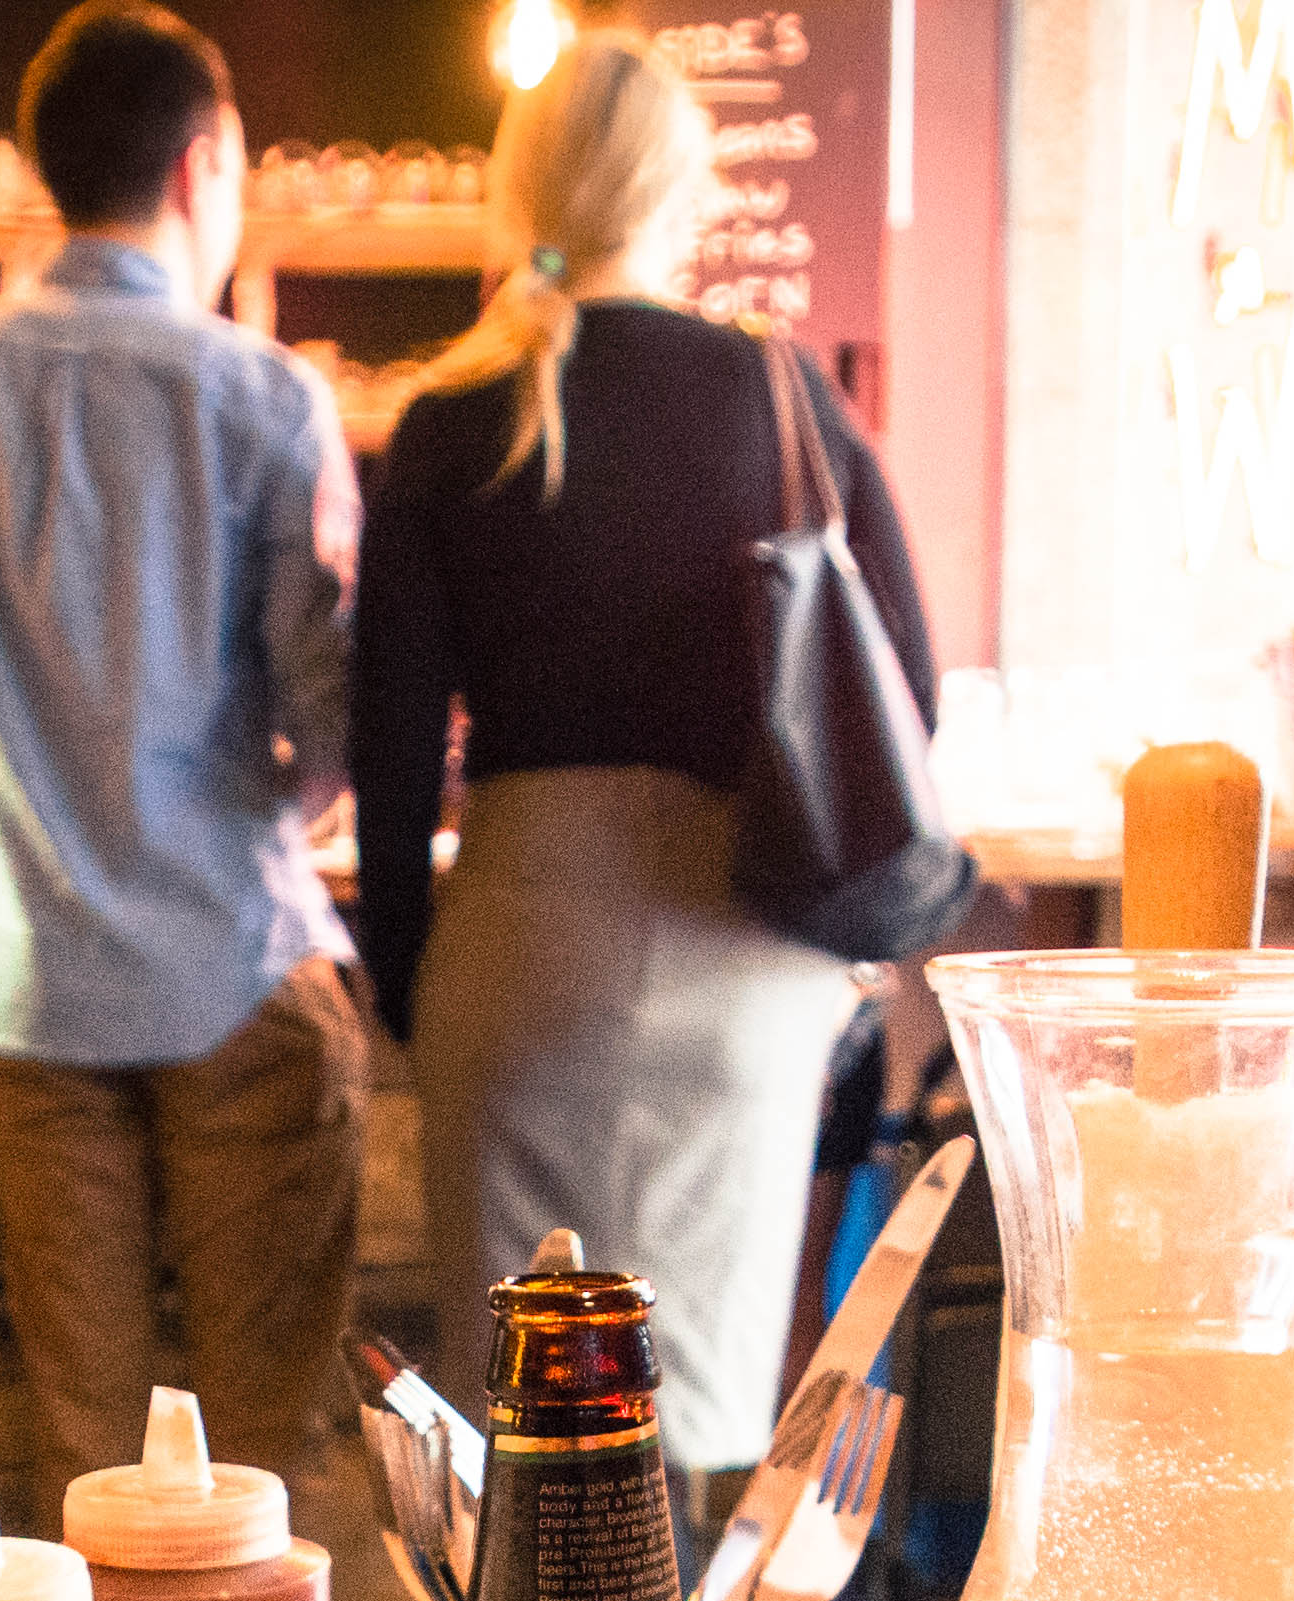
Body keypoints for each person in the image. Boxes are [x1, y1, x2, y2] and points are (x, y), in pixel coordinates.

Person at [349, 29, 935, 1502]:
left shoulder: (448, 425)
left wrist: (413, 988)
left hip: (518, 956)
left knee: (531, 1445)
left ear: (518, 190)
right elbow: (905, 693)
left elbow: (391, 756)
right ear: (684, 190)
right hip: (743, 957)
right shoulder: (777, 395)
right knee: (706, 1425)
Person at [0, 1, 364, 1528]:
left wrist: (21, 797)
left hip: (32, 986)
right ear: (204, 166)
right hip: (236, 964)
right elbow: (335, 719)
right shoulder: (262, 394)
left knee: (91, 1471)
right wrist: (274, 802)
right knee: (264, 1468)